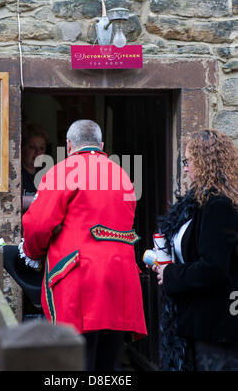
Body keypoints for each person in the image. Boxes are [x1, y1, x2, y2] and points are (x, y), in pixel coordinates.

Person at [19, 119, 147, 371]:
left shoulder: (62, 171)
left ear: (68, 146)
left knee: (76, 362)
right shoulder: (122, 174)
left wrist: (32, 252)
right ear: (100, 145)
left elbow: (38, 224)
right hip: (120, 280)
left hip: (78, 280)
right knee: (109, 362)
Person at [151, 129, 238, 371]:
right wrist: (163, 261)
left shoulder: (219, 205)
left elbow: (213, 268)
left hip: (217, 326)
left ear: (204, 161)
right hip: (198, 322)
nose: (186, 168)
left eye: (188, 161)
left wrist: (169, 275)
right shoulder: (199, 203)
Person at [21, 121, 48, 211]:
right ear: (22, 148)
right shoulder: (15, 175)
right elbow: (10, 201)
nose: (37, 152)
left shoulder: (47, 175)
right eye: (32, 147)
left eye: (41, 148)